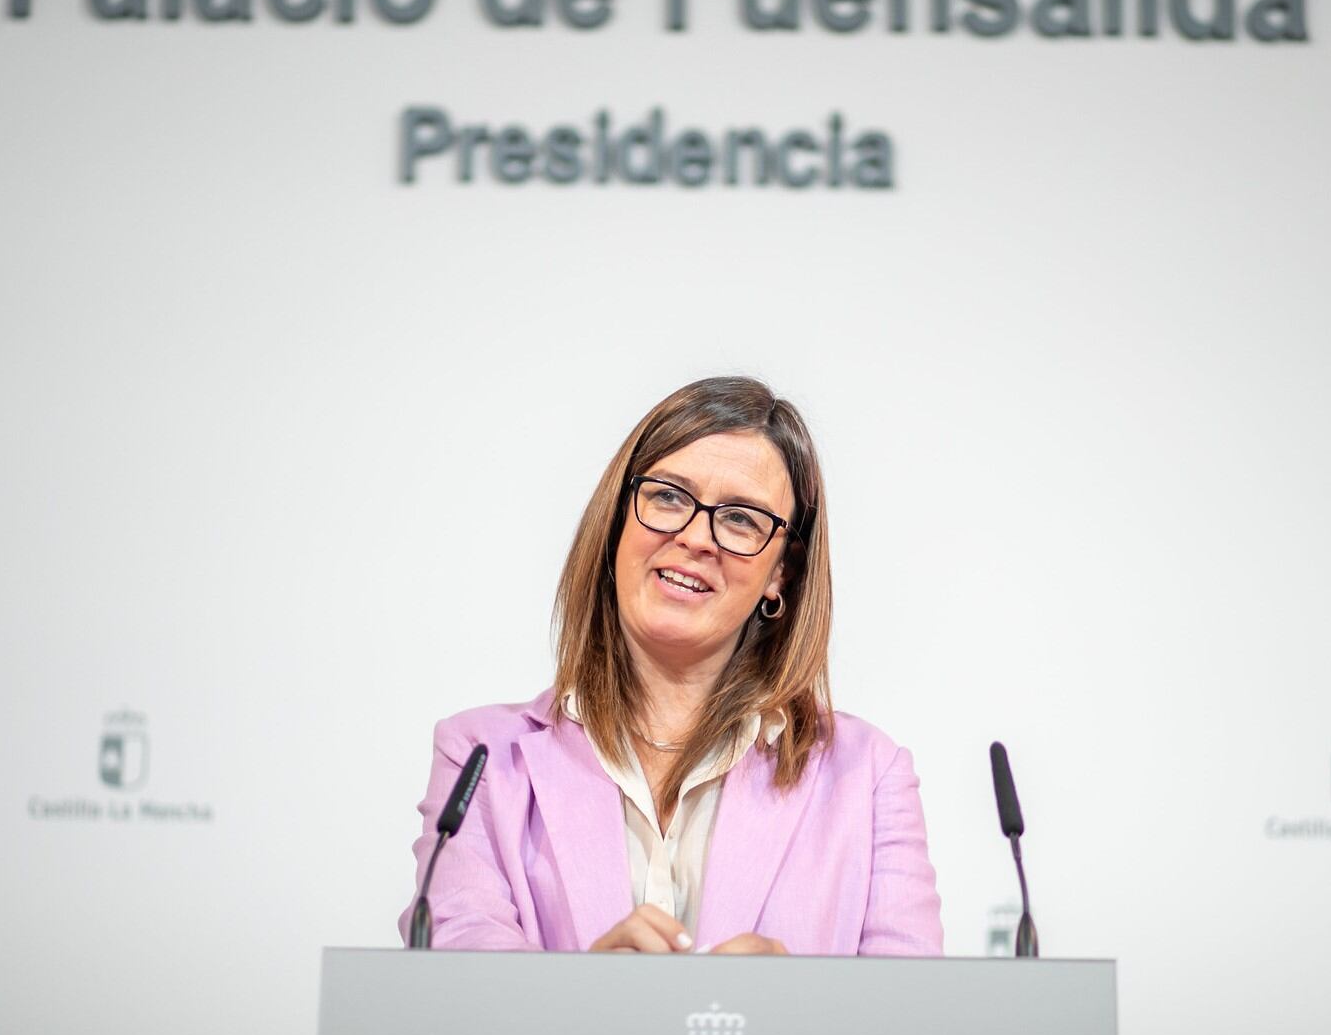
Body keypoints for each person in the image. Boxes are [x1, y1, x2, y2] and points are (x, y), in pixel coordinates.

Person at [398, 376, 942, 955]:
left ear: (781, 574)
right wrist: (585, 996)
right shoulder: (479, 759)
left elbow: (904, 1023)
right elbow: (459, 1006)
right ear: (617, 524)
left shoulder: (869, 777)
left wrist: (794, 1013)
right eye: (668, 497)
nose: (695, 537)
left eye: (741, 519)